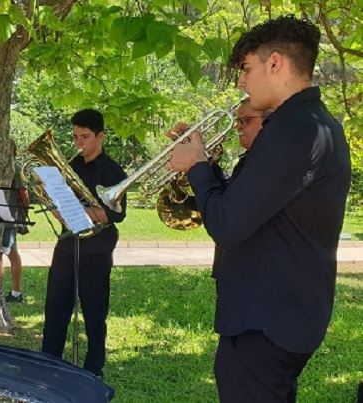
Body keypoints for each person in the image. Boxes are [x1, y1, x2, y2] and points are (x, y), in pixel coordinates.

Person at [168, 16, 351, 402]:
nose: (240, 82)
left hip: (267, 321)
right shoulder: (312, 124)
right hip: (282, 314)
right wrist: (206, 163)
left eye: (246, 69)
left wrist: (196, 165)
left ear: (275, 64)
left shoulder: (292, 130)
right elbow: (246, 205)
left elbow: (228, 224)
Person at [41, 109, 127, 377]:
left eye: (85, 137)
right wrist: (56, 206)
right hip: (67, 245)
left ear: (100, 136)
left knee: (94, 313)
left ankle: (93, 371)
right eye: (76, 136)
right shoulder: (70, 166)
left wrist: (82, 212)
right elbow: (57, 199)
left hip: (97, 249)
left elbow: (116, 214)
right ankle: (48, 364)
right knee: (55, 308)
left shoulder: (113, 171)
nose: (79, 143)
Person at [0, 146, 30, 303]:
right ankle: (15, 293)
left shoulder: (15, 168)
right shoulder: (1, 166)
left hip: (9, 217)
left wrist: (24, 216)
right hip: (2, 216)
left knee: (2, 254)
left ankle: (9, 293)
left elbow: (23, 193)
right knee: (11, 253)